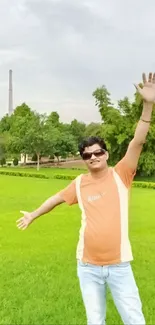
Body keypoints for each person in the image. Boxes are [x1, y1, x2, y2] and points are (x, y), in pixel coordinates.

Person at [17, 73, 155, 325]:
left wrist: (148, 105)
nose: (93, 157)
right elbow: (56, 198)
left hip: (119, 266)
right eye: (87, 155)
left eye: (97, 152)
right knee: (95, 321)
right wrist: (33, 215)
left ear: (106, 153)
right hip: (87, 267)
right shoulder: (79, 183)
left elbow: (137, 142)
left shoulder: (121, 174)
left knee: (135, 320)